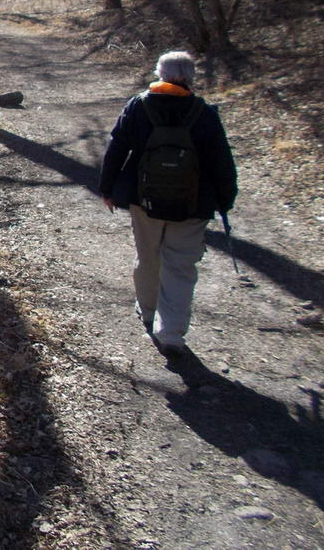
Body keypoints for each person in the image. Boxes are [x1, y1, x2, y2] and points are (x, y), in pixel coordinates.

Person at [99, 51, 237, 357]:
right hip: (191, 206)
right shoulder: (205, 114)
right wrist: (225, 200)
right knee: (180, 266)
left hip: (143, 199)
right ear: (190, 78)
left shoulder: (139, 106)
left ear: (160, 74)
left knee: (147, 256)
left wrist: (107, 188)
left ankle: (148, 312)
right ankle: (171, 331)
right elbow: (221, 162)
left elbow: (117, 147)